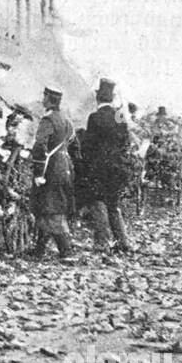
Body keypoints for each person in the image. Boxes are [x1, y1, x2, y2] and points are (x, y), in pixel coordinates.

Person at [83, 78, 136, 254]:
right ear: (112, 98)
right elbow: (126, 141)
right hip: (118, 168)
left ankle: (102, 242)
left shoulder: (94, 117)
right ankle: (123, 241)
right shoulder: (119, 115)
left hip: (99, 168)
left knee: (98, 203)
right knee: (113, 204)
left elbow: (88, 146)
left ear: (97, 98)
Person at [29, 86, 78, 262]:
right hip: (65, 167)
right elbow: (74, 145)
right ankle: (39, 249)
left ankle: (66, 250)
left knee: (51, 207)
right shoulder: (66, 119)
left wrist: (37, 171)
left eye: (44, 96)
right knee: (48, 205)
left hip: (50, 167)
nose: (42, 99)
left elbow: (40, 145)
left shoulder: (47, 120)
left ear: (49, 99)